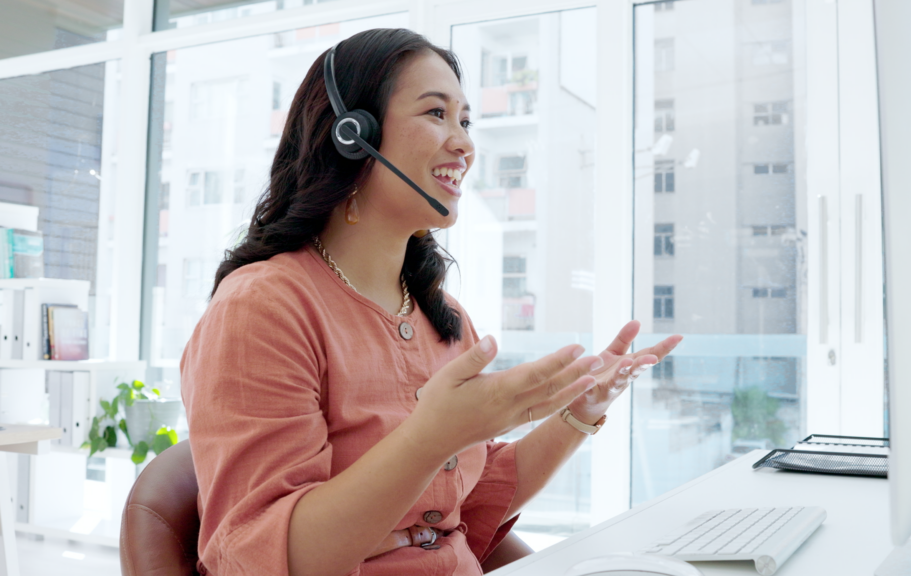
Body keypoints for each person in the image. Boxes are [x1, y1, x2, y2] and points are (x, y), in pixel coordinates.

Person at [180, 28, 682, 576]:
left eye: (465, 121)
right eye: (436, 114)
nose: (465, 144)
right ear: (353, 136)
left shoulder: (441, 316)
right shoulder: (261, 308)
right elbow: (261, 556)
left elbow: (468, 499)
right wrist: (431, 436)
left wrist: (581, 411)